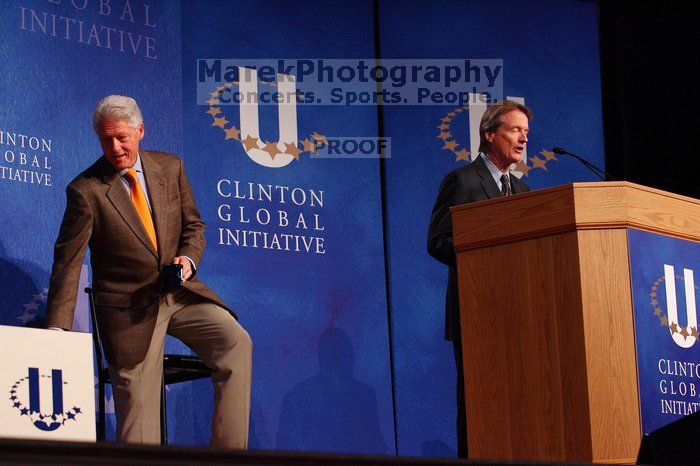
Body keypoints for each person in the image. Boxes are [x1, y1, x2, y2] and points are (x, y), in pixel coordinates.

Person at [45, 95, 252, 448]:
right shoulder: (86, 191)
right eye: (106, 139)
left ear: (140, 131)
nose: (115, 147)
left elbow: (194, 228)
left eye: (122, 137)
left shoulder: (170, 168)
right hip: (129, 311)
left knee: (235, 341)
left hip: (179, 294)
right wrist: (56, 329)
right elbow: (68, 262)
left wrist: (186, 261)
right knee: (140, 424)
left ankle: (228, 457)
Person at [427, 99, 532, 458]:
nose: (523, 139)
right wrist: (483, 256)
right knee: (478, 403)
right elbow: (437, 240)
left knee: (518, 404)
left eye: (526, 133)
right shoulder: (462, 181)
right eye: (515, 130)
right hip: (476, 312)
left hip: (519, 315)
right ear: (490, 134)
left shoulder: (523, 193)